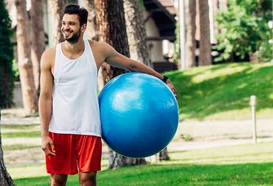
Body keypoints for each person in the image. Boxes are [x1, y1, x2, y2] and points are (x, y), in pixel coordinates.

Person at [38, 4, 177, 186]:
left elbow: (131, 65)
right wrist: (44, 134)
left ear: (83, 27)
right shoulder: (50, 56)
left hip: (88, 127)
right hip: (59, 129)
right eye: (64, 23)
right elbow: (46, 97)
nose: (66, 27)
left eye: (71, 23)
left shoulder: (97, 51)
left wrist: (163, 78)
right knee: (57, 180)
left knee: (87, 180)